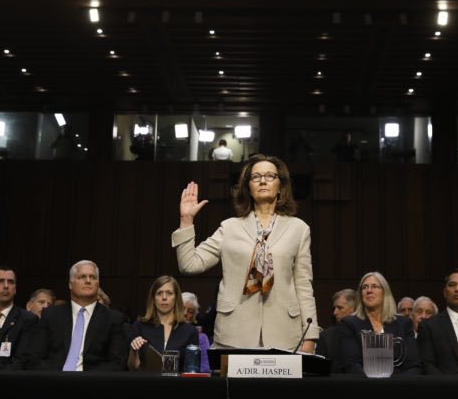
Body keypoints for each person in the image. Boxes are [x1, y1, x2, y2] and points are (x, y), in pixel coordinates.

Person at [172, 154, 319, 352]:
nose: (263, 181)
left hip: (285, 334)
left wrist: (310, 336)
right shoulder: (229, 227)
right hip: (234, 332)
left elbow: (303, 286)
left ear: (281, 186)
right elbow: (189, 264)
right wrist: (186, 220)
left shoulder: (299, 229)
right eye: (256, 177)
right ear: (248, 187)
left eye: (270, 176)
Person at [28, 260, 128, 371]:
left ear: (98, 284)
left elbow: (118, 363)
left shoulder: (113, 319)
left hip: (93, 380)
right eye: (82, 277)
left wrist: (87, 379)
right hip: (54, 377)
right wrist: (55, 377)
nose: (88, 281)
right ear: (70, 284)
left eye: (93, 277)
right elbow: (35, 357)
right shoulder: (51, 315)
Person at [338, 272, 422, 375]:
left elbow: (414, 365)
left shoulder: (403, 324)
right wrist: (374, 383)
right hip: (363, 383)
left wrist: (398, 383)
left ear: (385, 292)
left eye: (374, 286)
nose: (369, 290)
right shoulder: (349, 324)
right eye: (365, 287)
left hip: (399, 383)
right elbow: (351, 365)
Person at [128, 276, 199, 371]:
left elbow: (192, 369)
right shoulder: (139, 326)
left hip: (178, 380)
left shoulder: (190, 331)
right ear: (153, 298)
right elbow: (132, 368)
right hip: (147, 380)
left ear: (176, 298)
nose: (164, 297)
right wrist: (134, 351)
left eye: (169, 293)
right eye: (159, 293)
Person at [316, 289, 357, 371]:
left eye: (340, 308)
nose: (335, 313)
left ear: (355, 309)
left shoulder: (366, 333)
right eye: (334, 308)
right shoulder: (326, 336)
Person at [181, 292, 211, 372]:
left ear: (193, 317)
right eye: (182, 309)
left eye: (190, 311)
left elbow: (205, 367)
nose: (185, 313)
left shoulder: (201, 338)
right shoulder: (167, 332)